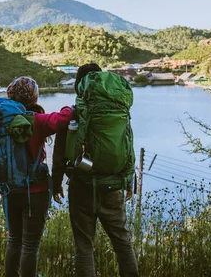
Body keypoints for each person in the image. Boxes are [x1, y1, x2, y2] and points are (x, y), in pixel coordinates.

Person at [53, 64, 139, 277]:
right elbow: (126, 145)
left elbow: (59, 156)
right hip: (113, 187)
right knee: (122, 241)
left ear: (79, 86)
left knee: (84, 245)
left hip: (82, 186)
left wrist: (55, 185)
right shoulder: (117, 109)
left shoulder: (72, 115)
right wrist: (130, 180)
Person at [5, 76, 74, 277]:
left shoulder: (1, 120)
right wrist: (70, 107)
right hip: (34, 191)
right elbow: (64, 118)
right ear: (34, 97)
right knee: (30, 245)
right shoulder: (36, 120)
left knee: (14, 239)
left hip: (9, 190)